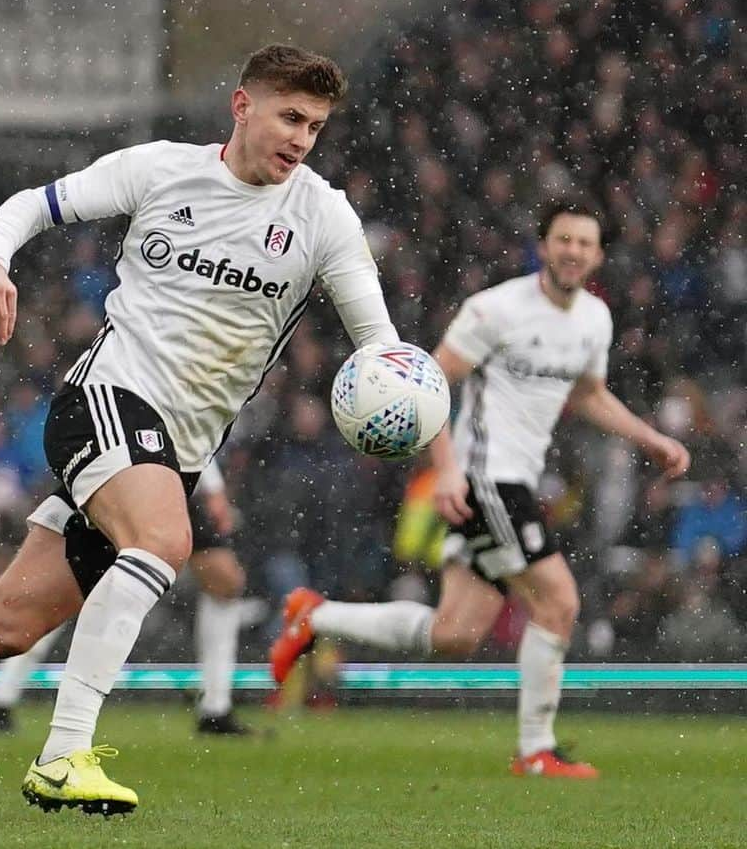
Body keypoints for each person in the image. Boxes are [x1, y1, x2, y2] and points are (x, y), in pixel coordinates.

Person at [0, 43, 404, 815]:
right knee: (164, 541)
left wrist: (395, 388)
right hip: (106, 401)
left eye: (315, 126)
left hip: (177, 449)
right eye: (290, 116)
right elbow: (30, 205)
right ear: (242, 105)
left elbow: (377, 340)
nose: (300, 138)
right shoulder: (161, 169)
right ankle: (63, 753)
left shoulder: (322, 214)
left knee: (1, 627)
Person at [271, 197, 691, 778]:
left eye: (584, 243)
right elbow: (429, 384)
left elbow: (588, 394)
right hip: (485, 480)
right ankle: (536, 750)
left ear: (597, 256)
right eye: (562, 240)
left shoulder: (595, 320)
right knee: (560, 601)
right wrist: (444, 469)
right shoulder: (494, 310)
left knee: (455, 634)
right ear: (543, 247)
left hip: (512, 484)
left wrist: (650, 439)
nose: (572, 251)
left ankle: (313, 616)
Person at [0, 459, 255, 736]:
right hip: (128, 469)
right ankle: (2, 699)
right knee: (72, 584)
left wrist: (210, 485)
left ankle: (216, 708)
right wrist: (214, 487)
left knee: (225, 582)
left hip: (169, 475)